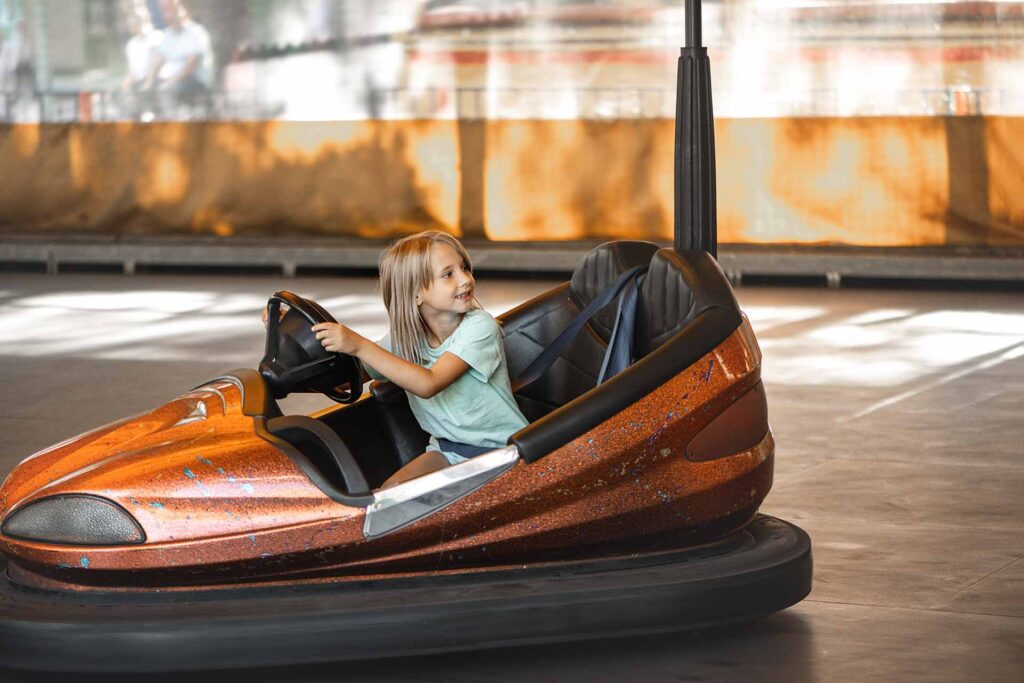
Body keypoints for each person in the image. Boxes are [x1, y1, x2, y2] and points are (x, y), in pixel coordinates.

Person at [271, 231, 529, 489]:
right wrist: (292, 337)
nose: (465, 279)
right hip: (447, 451)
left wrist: (359, 345)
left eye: (463, 268)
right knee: (386, 498)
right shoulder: (404, 340)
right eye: (448, 274)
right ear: (416, 294)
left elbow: (429, 383)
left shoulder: (480, 327)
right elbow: (347, 378)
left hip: (503, 452)